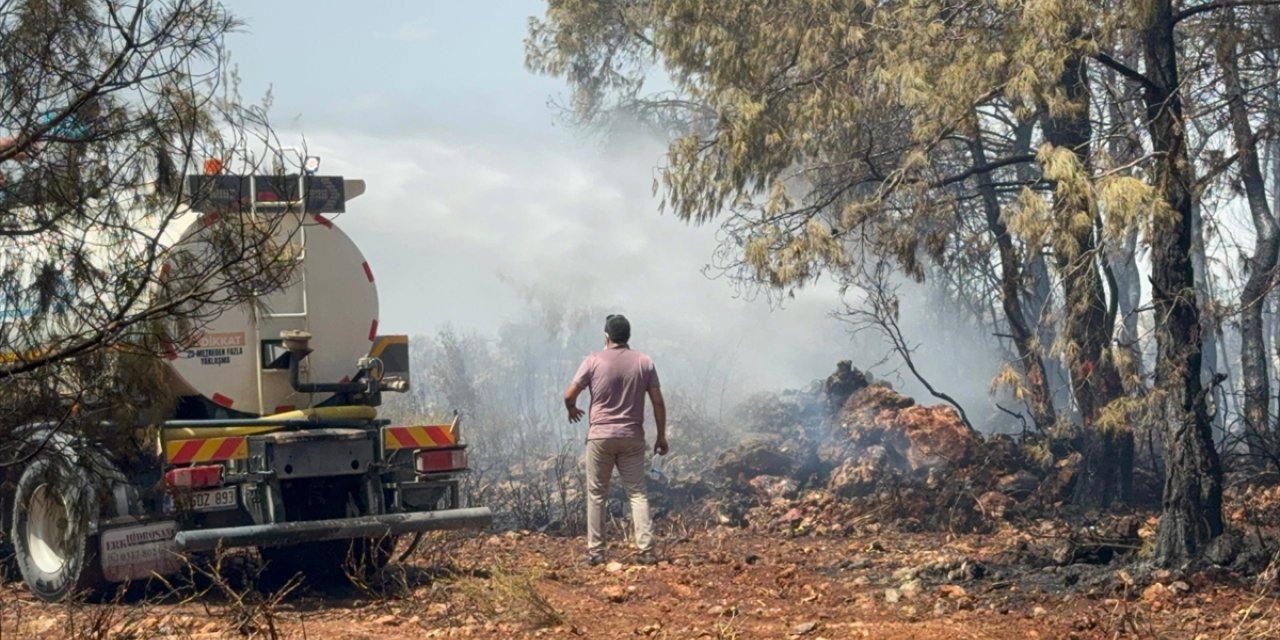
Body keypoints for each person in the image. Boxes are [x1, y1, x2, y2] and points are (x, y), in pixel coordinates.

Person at [564, 313, 667, 566]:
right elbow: (657, 402)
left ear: (606, 336)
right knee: (637, 494)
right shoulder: (644, 362)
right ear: (628, 336)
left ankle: (596, 553)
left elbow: (569, 395)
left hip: (600, 437)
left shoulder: (592, 360)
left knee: (597, 494)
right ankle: (647, 551)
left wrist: (572, 409)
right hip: (632, 437)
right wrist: (661, 436)